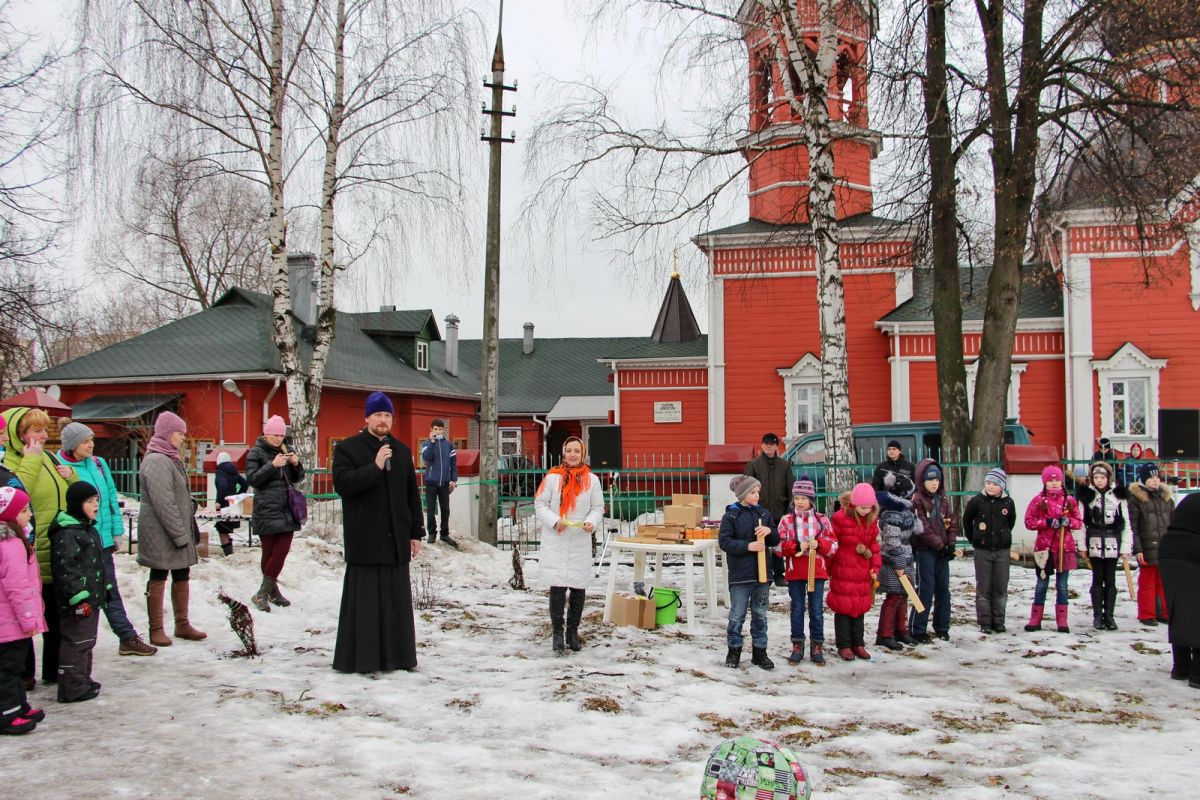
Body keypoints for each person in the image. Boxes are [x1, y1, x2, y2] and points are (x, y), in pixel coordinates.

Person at [331, 392, 424, 674]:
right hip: (365, 542)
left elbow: (411, 494)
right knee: (368, 605)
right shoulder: (348, 449)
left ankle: (398, 657)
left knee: (395, 603)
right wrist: (375, 467)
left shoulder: (403, 451)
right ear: (367, 418)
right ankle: (364, 659)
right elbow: (343, 484)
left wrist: (416, 532)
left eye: (387, 416)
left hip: (395, 540)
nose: (383, 421)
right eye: (378, 415)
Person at [56, 422, 156, 656]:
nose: (91, 445)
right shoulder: (60, 468)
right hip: (77, 542)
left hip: (102, 540)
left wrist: (116, 532)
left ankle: (126, 636)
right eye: (85, 441)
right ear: (72, 445)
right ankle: (78, 645)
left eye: (91, 439)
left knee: (109, 589)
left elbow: (111, 498)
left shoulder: (99, 464)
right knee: (81, 594)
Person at [1, 408, 76, 688]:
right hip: (30, 549)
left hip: (57, 547)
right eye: (37, 431)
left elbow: (77, 495)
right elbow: (18, 496)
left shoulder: (48, 456)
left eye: (45, 430)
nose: (44, 436)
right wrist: (31, 461)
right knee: (26, 615)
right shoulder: (9, 462)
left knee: (55, 614)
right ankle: (23, 675)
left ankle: (54, 669)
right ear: (18, 436)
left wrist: (71, 477)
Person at [137, 411, 205, 646]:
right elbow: (163, 502)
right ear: (166, 434)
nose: (182, 437)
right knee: (159, 574)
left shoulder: (169, 457)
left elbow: (176, 494)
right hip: (160, 531)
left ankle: (182, 624)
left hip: (174, 527)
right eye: (179, 433)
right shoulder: (157, 460)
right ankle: (156, 628)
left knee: (181, 572)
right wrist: (179, 533)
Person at [534, 436, 604, 654]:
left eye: (577, 451)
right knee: (557, 586)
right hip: (556, 537)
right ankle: (557, 632)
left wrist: (591, 522)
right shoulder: (552, 478)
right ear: (563, 453)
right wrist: (555, 521)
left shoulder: (592, 480)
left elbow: (598, 507)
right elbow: (540, 503)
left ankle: (572, 631)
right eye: (569, 451)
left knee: (577, 586)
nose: (572, 454)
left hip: (579, 539)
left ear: (583, 454)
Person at [49, 482, 108, 703]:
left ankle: (82, 680)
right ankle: (72, 688)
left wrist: (105, 587)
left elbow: (95, 564)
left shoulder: (88, 528)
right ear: (77, 504)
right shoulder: (68, 534)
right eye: (90, 502)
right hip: (77, 601)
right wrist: (78, 597)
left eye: (97, 501)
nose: (95, 505)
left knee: (87, 641)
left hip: (91, 597)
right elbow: (67, 569)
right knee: (76, 643)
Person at [719, 475, 780, 670]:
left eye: (758, 493)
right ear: (743, 494)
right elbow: (725, 542)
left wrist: (770, 532)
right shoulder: (731, 516)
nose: (757, 496)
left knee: (760, 614)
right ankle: (734, 650)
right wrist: (748, 546)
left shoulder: (764, 514)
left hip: (762, 576)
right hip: (740, 576)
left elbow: (776, 538)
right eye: (753, 493)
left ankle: (760, 651)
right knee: (737, 615)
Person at [245, 415, 304, 612]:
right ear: (266, 434)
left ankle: (262, 592)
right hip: (266, 509)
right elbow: (252, 479)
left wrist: (296, 464)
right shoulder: (256, 452)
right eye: (275, 435)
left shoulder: (287, 450)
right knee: (269, 552)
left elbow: (298, 478)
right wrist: (272, 466)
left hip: (286, 509)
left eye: (281, 435)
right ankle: (272, 591)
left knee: (281, 552)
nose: (279, 438)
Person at [774, 477, 835, 664]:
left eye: (803, 498)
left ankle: (817, 645)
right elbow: (777, 547)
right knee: (797, 608)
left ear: (811, 499)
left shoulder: (822, 520)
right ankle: (797, 644)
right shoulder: (787, 520)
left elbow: (834, 546)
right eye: (797, 498)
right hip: (796, 571)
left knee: (816, 609)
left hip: (816, 571)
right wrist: (794, 546)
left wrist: (821, 544)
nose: (800, 502)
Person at [0, 487, 45, 734]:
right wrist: (29, 618)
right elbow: (17, 587)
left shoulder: (13, 540)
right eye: (24, 510)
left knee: (15, 667)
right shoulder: (10, 545)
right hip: (10, 622)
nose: (29, 514)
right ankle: (7, 715)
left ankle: (19, 705)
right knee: (7, 669)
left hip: (11, 621)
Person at [1023, 465, 1083, 633]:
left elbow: (1078, 521)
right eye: (1051, 481)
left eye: (1057, 480)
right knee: (1042, 584)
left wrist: (1068, 522)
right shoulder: (1039, 500)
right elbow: (1029, 521)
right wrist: (1046, 523)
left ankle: (1062, 620)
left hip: (1064, 548)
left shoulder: (1069, 501)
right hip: (1045, 549)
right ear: (1045, 482)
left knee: (1062, 585)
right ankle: (1035, 618)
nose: (1055, 483)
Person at [826, 482, 880, 661]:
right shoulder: (840, 518)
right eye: (861, 507)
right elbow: (832, 543)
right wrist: (828, 567)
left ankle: (858, 643)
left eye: (868, 508)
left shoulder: (872, 520)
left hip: (862, 570)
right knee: (843, 608)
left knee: (860, 607)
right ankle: (844, 644)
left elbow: (874, 545)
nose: (865, 511)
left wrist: (875, 567)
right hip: (844, 568)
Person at [1076, 461, 1129, 631]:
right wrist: (1081, 545)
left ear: (1109, 478)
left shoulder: (1118, 496)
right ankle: (1098, 615)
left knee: (1111, 580)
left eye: (1102, 477)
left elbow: (1126, 522)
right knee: (1097, 579)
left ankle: (1110, 616)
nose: (1099, 481)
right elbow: (1081, 523)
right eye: (1096, 477)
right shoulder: (1087, 496)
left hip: (1113, 540)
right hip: (1094, 541)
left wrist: (1125, 547)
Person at [910, 460, 959, 642]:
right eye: (930, 480)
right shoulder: (917, 500)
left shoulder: (943, 499)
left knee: (943, 590)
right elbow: (922, 528)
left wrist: (951, 544)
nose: (934, 483)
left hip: (942, 552)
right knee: (925, 589)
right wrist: (940, 545)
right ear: (922, 481)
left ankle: (942, 627)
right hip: (925, 551)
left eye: (937, 480)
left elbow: (952, 522)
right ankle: (918, 628)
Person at [962, 468, 1016, 634]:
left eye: (995, 484)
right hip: (983, 551)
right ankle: (985, 622)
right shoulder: (976, 501)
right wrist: (974, 539)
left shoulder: (1008, 503)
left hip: (1002, 551)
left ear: (1002, 486)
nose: (991, 486)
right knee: (984, 588)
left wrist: (1003, 537)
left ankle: (999, 621)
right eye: (988, 483)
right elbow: (967, 520)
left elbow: (1011, 521)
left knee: (1000, 587)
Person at [1158, 493, 1200, 688]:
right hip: (1192, 559)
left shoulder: (1190, 500)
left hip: (1169, 557)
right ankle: (1197, 675)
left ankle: (1180, 667)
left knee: (1178, 613)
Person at [874, 472, 917, 651]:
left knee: (903, 595)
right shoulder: (893, 513)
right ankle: (885, 634)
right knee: (894, 596)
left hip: (904, 558)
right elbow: (892, 540)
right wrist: (899, 564)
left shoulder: (904, 510)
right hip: (893, 562)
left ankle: (901, 630)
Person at [1128, 462, 1175, 626]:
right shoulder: (1136, 499)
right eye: (1151, 478)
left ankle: (1164, 612)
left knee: (1164, 582)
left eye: (1157, 477)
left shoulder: (1166, 499)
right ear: (1144, 479)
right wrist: (1138, 548)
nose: (1155, 481)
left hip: (1165, 547)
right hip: (1147, 546)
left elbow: (1173, 523)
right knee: (1147, 582)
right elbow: (1133, 526)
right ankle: (1147, 614)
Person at [743, 433, 791, 586]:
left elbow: (790, 489)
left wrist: (789, 511)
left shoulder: (784, 465)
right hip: (758, 512)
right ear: (762, 445)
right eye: (766, 443)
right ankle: (761, 573)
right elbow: (746, 489)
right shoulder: (753, 465)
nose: (769, 446)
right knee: (759, 543)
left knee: (777, 543)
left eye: (772, 443)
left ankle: (779, 575)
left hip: (778, 511)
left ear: (777, 446)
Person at [420, 419, 458, 548]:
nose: (438, 431)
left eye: (440, 429)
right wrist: (432, 442)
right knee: (431, 509)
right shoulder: (426, 443)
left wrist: (453, 479)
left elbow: (453, 463)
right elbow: (427, 457)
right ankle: (431, 533)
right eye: (435, 429)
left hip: (445, 483)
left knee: (445, 509)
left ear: (443, 430)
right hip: (431, 481)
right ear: (431, 429)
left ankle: (444, 534)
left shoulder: (449, 445)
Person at [214, 452, 248, 557]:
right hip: (233, 504)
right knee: (225, 528)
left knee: (222, 529)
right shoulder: (234, 471)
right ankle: (229, 552)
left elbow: (222, 486)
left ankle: (228, 554)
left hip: (224, 504)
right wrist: (237, 496)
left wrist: (218, 501)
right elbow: (245, 484)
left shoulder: (220, 472)